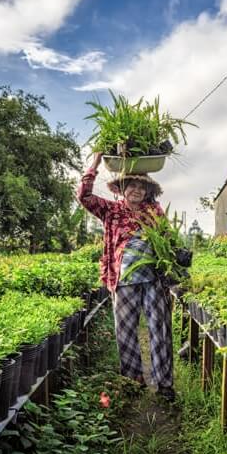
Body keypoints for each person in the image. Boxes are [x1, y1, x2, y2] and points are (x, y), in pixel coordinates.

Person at [77, 152, 175, 402]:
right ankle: (134, 380)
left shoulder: (154, 210)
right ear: (122, 188)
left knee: (159, 329)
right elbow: (84, 197)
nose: (137, 190)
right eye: (132, 184)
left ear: (147, 191)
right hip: (123, 281)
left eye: (142, 186)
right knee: (125, 331)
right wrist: (96, 163)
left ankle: (164, 384)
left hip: (152, 280)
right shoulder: (111, 210)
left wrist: (176, 255)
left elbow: (167, 239)